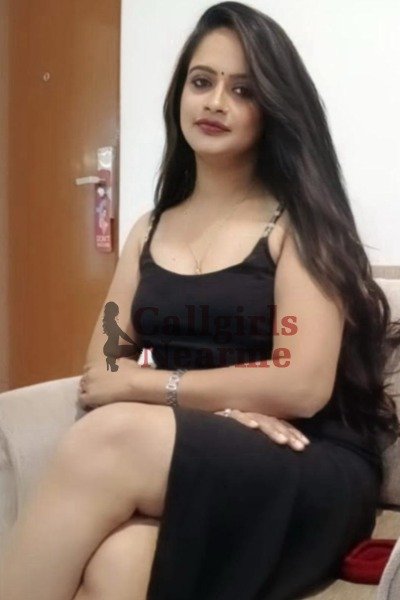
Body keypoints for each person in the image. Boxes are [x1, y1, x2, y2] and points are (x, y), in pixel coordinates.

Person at [2, 2, 400, 599]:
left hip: (305, 454)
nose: (215, 102)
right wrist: (218, 407)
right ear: (179, 95)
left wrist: (153, 387)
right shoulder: (147, 230)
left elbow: (300, 384)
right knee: (119, 564)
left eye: (242, 90)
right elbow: (105, 359)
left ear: (273, 109)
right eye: (202, 81)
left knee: (109, 436)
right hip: (197, 443)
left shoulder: (301, 225)